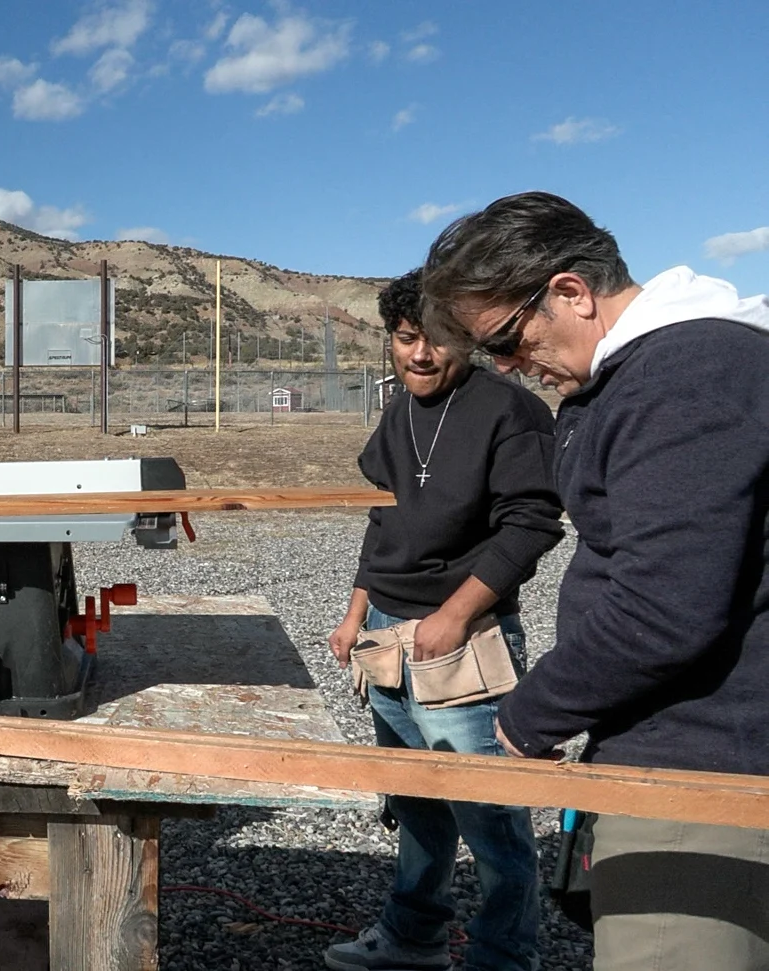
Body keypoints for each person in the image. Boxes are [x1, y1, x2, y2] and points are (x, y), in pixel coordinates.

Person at [420, 190, 769, 971]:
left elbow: (663, 605)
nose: (511, 367)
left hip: (704, 774)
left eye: (507, 339)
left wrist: (530, 715)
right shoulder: (667, 371)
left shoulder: (684, 379)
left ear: (571, 291)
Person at [325, 269, 564, 971]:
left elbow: (533, 523)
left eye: (438, 341)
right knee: (415, 802)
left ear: (467, 338)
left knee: (490, 816)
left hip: (467, 637)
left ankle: (502, 956)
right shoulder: (397, 412)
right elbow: (383, 520)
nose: (421, 356)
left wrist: (457, 614)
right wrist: (355, 610)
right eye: (406, 340)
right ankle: (413, 937)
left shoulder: (508, 410)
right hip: (388, 634)